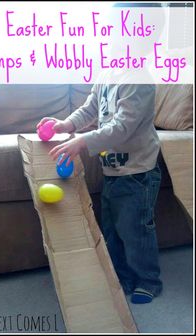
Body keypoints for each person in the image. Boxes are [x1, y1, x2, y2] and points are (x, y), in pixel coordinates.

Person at [37, 82, 163, 304]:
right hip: (113, 169)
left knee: (135, 229)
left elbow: (124, 126)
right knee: (112, 229)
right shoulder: (107, 75)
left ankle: (147, 281)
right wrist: (65, 125)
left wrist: (84, 141)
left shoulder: (139, 81)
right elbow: (90, 108)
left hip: (138, 171)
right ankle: (123, 276)